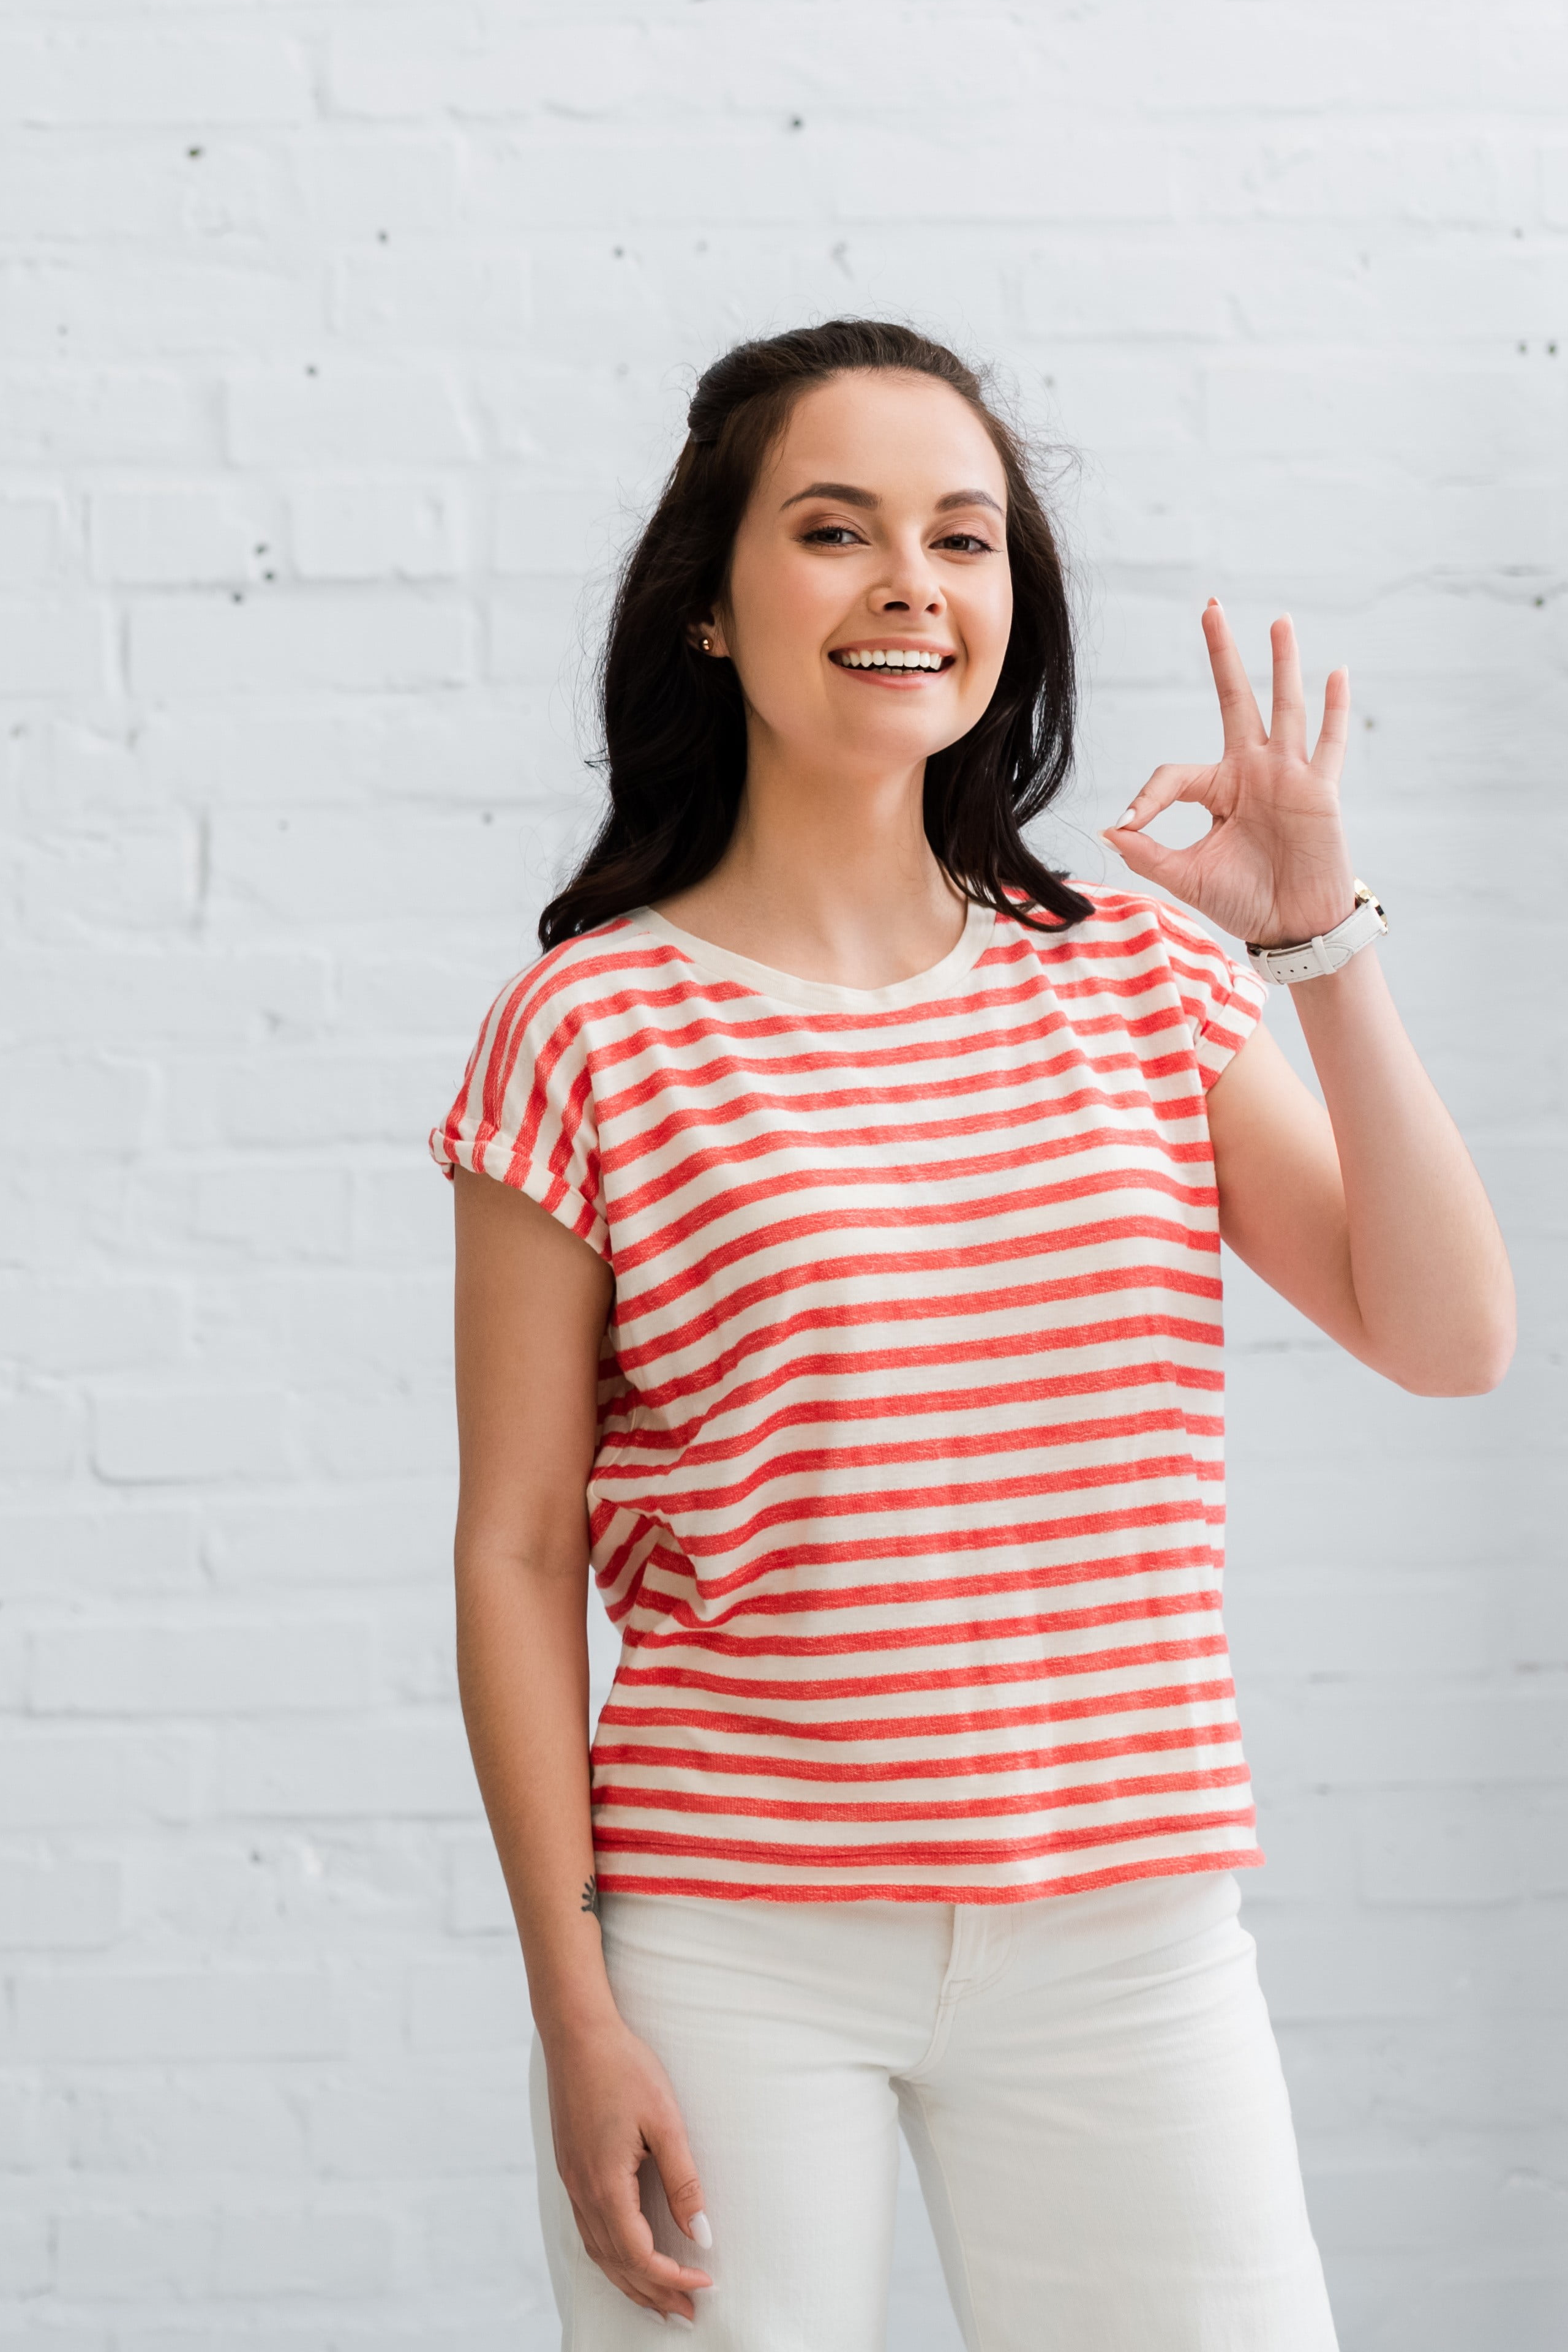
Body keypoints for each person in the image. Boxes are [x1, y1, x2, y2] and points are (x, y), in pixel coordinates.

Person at [433, 321, 1513, 2346]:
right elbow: (514, 1549)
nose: (911, 583)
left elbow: (1445, 1336)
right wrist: (573, 2012)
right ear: (709, 610)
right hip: (733, 1942)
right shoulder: (588, 1032)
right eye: (833, 530)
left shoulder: (1133, 985)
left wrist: (1319, 947)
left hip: (1131, 1930)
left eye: (964, 536)